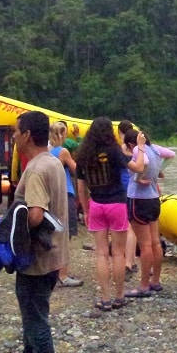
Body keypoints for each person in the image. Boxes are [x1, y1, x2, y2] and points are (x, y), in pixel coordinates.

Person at [2, 110, 68, 353]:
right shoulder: (53, 161)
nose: (13, 137)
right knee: (33, 315)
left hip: (36, 259)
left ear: (27, 134)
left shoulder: (36, 170)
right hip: (55, 256)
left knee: (36, 321)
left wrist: (5, 228)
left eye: (16, 132)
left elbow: (36, 214)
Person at [75, 117, 145, 311]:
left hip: (96, 204)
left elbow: (81, 189)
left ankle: (105, 298)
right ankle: (119, 296)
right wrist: (141, 148)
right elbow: (138, 168)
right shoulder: (114, 151)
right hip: (116, 204)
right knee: (118, 253)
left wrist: (86, 210)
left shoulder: (83, 155)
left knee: (101, 253)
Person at [124, 129, 175, 298]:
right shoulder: (155, 149)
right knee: (155, 243)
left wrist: (139, 178)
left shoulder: (139, 150)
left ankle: (144, 285)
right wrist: (159, 170)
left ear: (131, 144)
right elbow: (171, 154)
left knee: (144, 245)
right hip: (154, 198)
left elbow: (142, 162)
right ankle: (156, 281)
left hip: (138, 199)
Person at [49, 122, 83, 288]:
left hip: (53, 196)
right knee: (64, 235)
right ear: (61, 135)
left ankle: (53, 272)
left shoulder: (48, 152)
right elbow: (77, 170)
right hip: (65, 194)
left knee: (54, 234)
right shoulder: (63, 152)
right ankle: (63, 275)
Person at [117, 120, 138, 277]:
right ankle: (131, 261)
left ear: (119, 132)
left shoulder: (121, 149)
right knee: (133, 227)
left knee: (128, 227)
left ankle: (128, 262)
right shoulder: (138, 149)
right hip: (135, 189)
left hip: (125, 188)